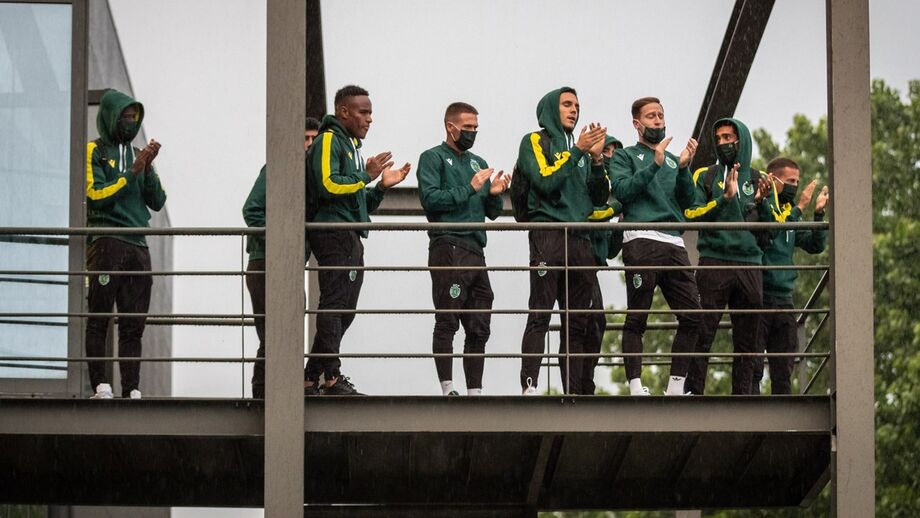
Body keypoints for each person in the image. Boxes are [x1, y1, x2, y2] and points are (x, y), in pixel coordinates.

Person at [303, 85, 411, 395]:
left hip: (348, 234)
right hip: (332, 233)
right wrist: (366, 175)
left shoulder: (350, 145)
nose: (370, 119)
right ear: (344, 112)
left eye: (371, 112)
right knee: (334, 304)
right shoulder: (327, 140)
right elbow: (328, 186)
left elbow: (353, 199)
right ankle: (332, 378)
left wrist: (380, 188)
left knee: (345, 309)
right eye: (363, 112)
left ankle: (312, 375)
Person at [515, 86, 609, 395]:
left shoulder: (578, 150)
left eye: (577, 105)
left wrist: (596, 161)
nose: (574, 110)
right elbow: (544, 180)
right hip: (548, 235)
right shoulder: (535, 140)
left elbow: (599, 199)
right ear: (551, 108)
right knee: (540, 314)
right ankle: (530, 386)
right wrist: (579, 151)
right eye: (567, 104)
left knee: (578, 324)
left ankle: (574, 392)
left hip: (580, 240)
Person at [683, 117, 784, 395]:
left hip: (751, 265)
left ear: (742, 140)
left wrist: (761, 203)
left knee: (749, 338)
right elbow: (692, 214)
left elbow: (773, 231)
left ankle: (744, 395)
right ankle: (693, 392)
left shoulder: (761, 179)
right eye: (719, 139)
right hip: (713, 261)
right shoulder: (704, 175)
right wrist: (723, 199)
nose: (723, 143)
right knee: (703, 330)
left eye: (729, 137)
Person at [609, 97, 702, 396]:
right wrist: (654, 164)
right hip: (641, 240)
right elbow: (623, 191)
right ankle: (636, 386)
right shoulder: (624, 156)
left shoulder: (674, 160)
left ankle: (675, 387)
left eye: (661, 115)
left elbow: (689, 203)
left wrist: (684, 168)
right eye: (651, 116)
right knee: (638, 316)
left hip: (674, 243)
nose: (658, 121)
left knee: (692, 316)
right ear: (637, 123)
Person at [417, 102, 509, 396]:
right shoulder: (432, 158)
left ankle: (475, 392)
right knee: (448, 318)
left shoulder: (478, 162)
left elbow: (491, 212)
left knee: (480, 324)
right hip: (448, 246)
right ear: (450, 127)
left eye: (475, 128)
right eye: (467, 127)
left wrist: (495, 194)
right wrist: (469, 188)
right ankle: (448, 388)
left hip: (476, 250)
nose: (472, 133)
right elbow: (431, 200)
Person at [84, 89, 166, 399]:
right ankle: (100, 385)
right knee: (100, 316)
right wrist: (131, 173)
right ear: (110, 116)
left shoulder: (137, 156)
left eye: (135, 117)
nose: (130, 123)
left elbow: (158, 201)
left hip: (138, 247)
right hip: (107, 242)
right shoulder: (93, 151)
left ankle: (132, 388)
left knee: (134, 323)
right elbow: (97, 196)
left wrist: (145, 169)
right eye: (125, 116)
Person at [243, 118, 322, 399]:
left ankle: (281, 391)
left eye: (314, 140)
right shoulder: (276, 169)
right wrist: (283, 241)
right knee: (273, 332)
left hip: (289, 266)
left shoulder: (311, 179)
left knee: (288, 331)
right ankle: (263, 394)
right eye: (305, 138)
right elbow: (251, 210)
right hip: (266, 261)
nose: (310, 145)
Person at [751, 157, 828, 394]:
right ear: (774, 180)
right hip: (759, 298)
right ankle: (749, 422)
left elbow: (814, 245)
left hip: (785, 301)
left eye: (797, 181)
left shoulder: (791, 213)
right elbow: (773, 231)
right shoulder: (762, 207)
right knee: (752, 366)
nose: (795, 186)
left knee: (783, 368)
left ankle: (781, 425)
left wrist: (817, 214)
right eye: (790, 181)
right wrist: (801, 207)